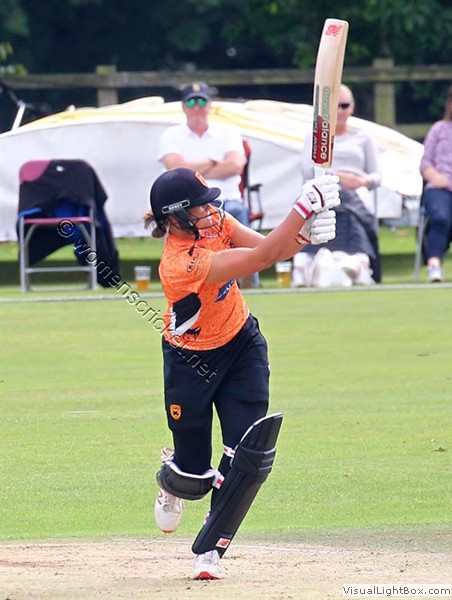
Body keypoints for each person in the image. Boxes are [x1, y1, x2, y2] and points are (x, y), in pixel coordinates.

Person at [144, 167, 340, 580]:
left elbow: (271, 248)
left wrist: (305, 234)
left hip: (241, 345)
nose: (211, 210)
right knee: (193, 477)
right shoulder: (180, 263)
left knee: (246, 454)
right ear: (176, 216)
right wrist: (302, 207)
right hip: (190, 362)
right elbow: (261, 259)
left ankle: (210, 551)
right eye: (200, 206)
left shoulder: (217, 223)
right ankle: (172, 475)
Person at [158, 81, 259, 287]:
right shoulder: (170, 135)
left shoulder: (229, 132)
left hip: (228, 201)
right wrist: (213, 163)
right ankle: (190, 277)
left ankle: (249, 278)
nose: (197, 107)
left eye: (202, 101)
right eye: (191, 102)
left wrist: (191, 170)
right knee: (188, 218)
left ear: (210, 105)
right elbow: (174, 170)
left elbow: (235, 166)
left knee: (234, 212)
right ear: (183, 107)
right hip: (187, 206)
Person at [298, 84, 382, 285]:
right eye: (335, 106)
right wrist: (336, 177)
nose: (340, 111)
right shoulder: (315, 138)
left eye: (345, 106)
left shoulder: (363, 138)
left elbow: (377, 175)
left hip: (356, 190)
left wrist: (362, 181)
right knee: (333, 199)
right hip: (324, 189)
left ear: (352, 108)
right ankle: (309, 260)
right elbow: (307, 170)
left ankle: (357, 259)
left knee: (349, 205)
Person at [419, 80, 452, 283]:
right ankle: (434, 265)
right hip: (441, 188)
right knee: (440, 217)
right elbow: (425, 163)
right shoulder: (439, 129)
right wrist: (436, 177)